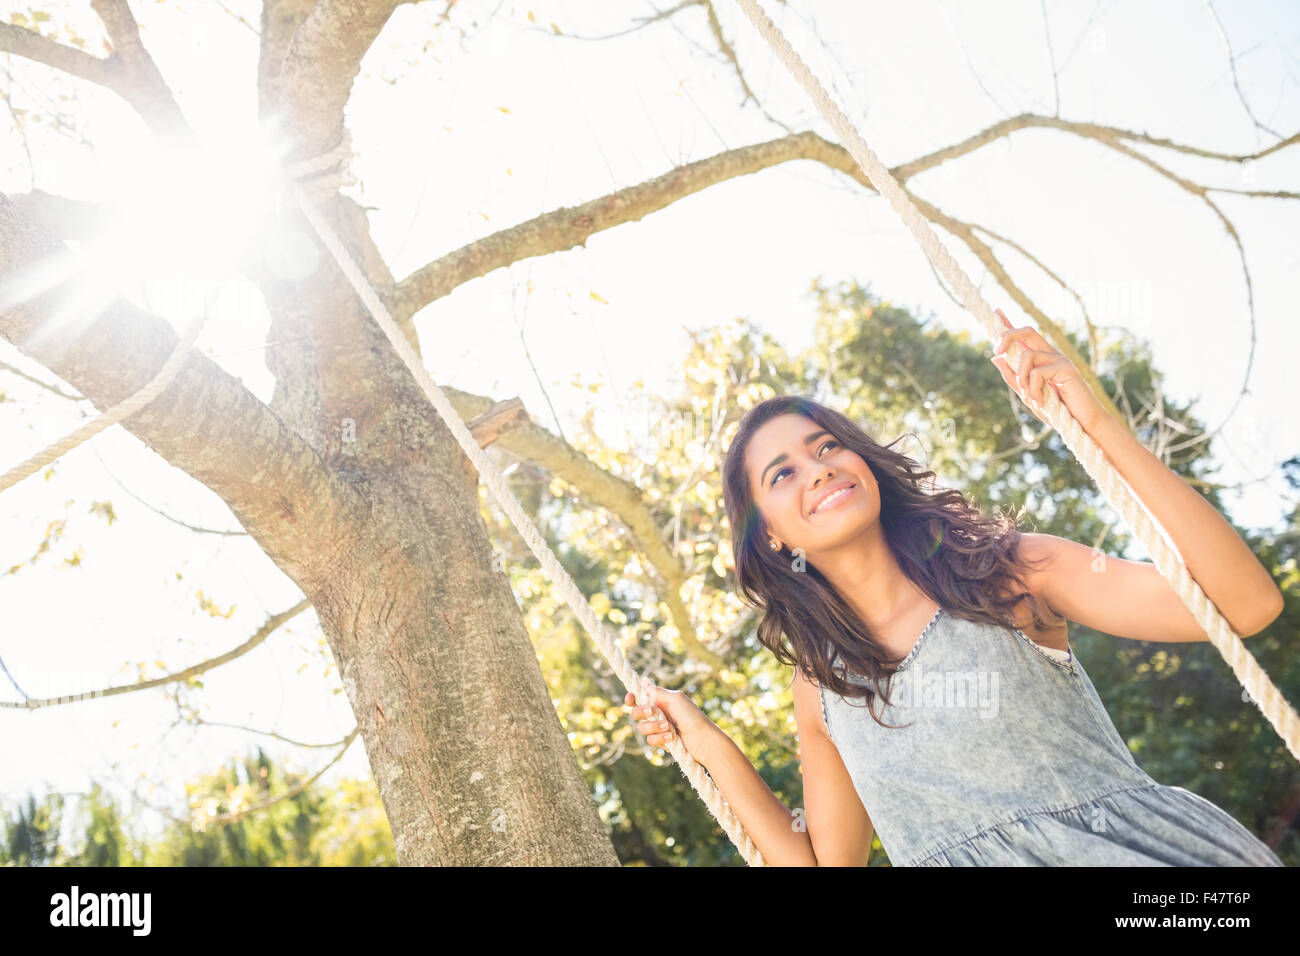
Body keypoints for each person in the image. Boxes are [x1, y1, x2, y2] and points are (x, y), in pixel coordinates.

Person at [624, 309, 1286, 867]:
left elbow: (1244, 604)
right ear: (769, 536)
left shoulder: (1007, 573)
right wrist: (707, 744)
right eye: (783, 473)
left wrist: (1095, 425)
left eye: (827, 447)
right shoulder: (824, 687)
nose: (819, 471)